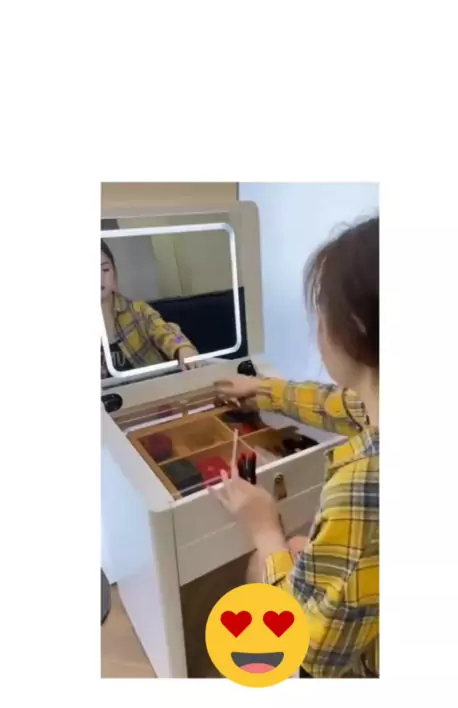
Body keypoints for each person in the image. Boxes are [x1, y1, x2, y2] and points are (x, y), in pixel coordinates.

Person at [213, 214, 379, 678]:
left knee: (264, 559)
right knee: (301, 545)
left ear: (352, 328)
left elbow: (312, 653)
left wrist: (264, 528)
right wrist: (264, 391)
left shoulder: (363, 487)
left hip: (355, 662)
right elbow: (344, 404)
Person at [101, 240, 198, 378]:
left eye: (105, 270)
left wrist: (182, 347)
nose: (99, 278)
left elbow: (167, 332)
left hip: (152, 387)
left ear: (114, 272)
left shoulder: (137, 310)